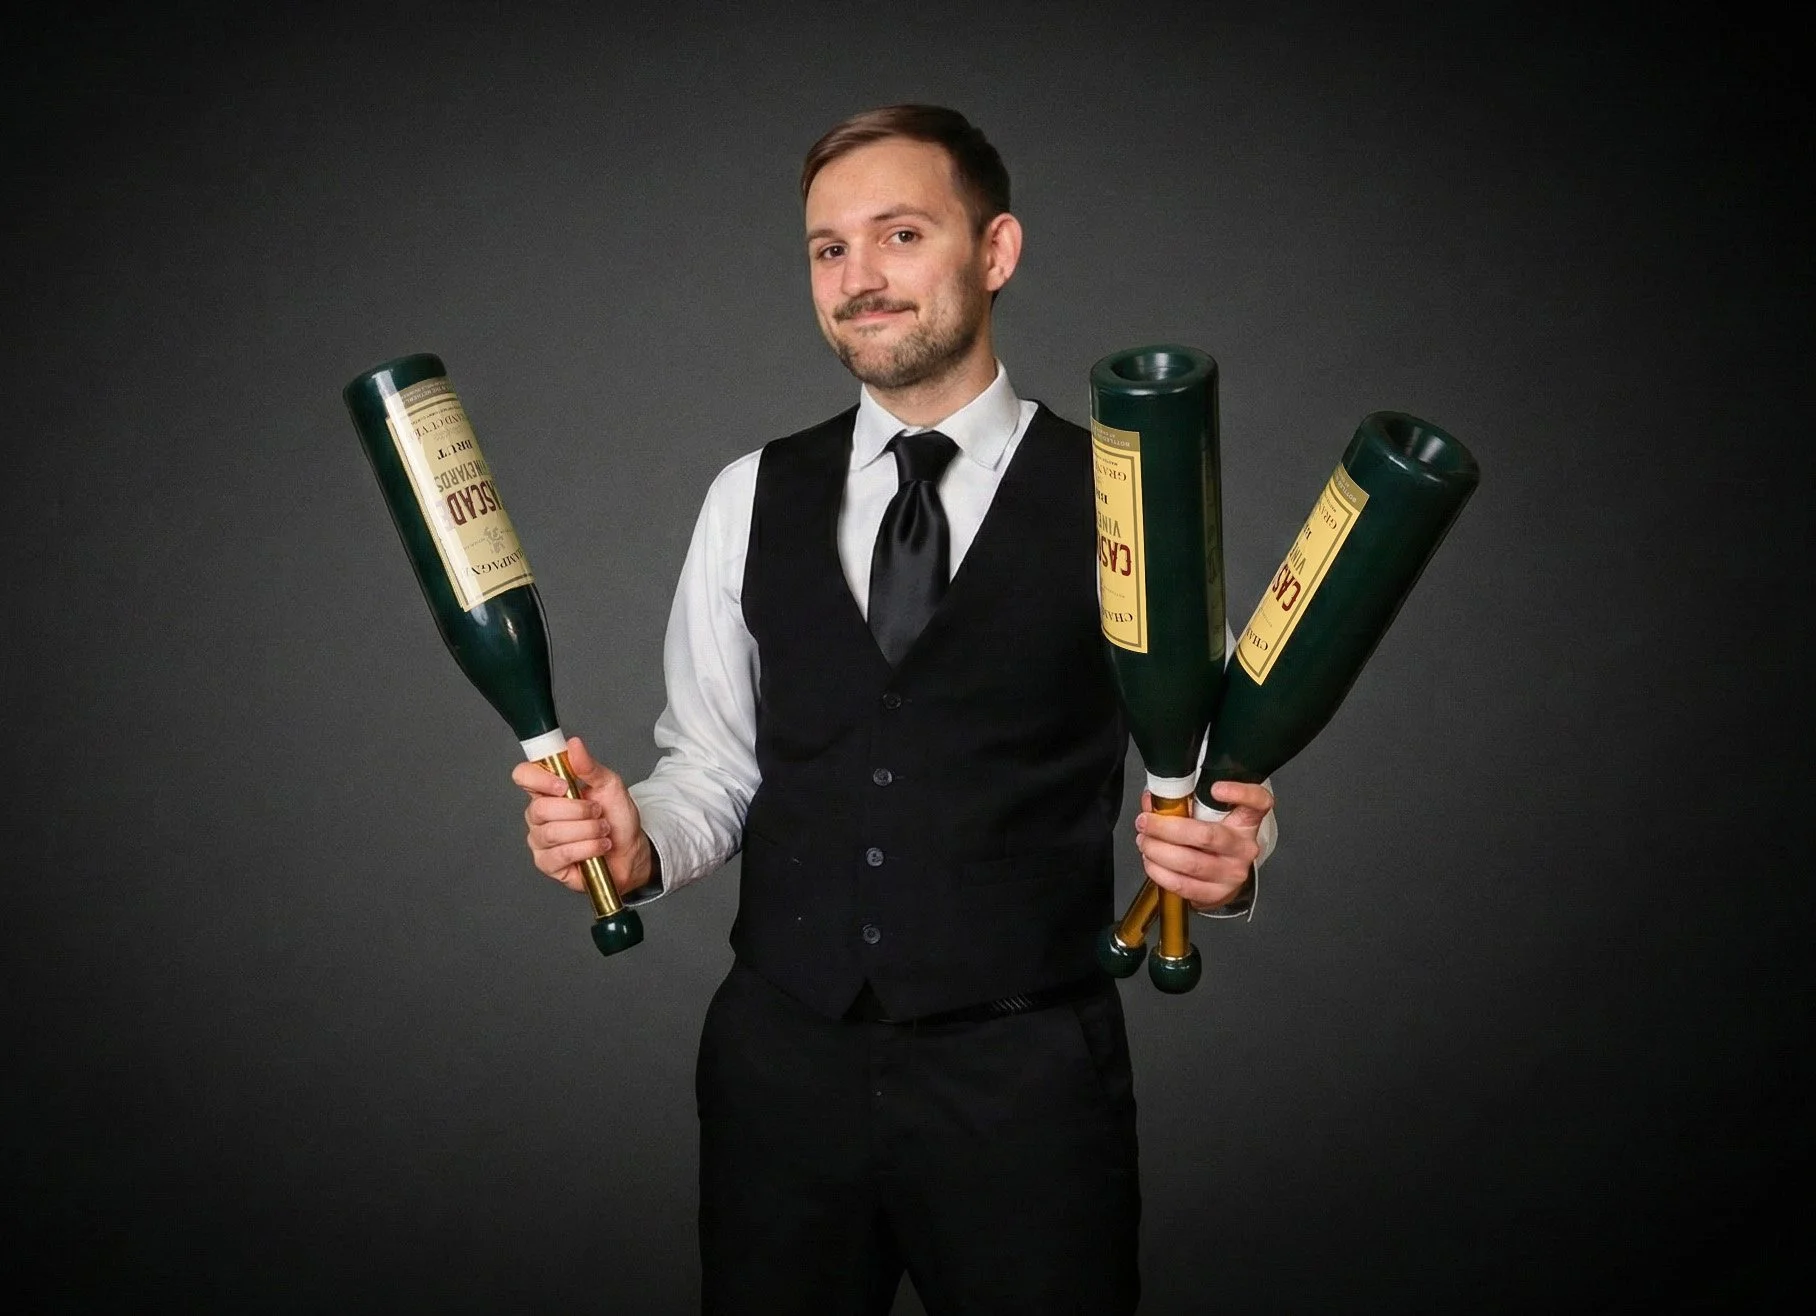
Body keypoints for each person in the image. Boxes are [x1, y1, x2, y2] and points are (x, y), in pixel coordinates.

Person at [515, 105, 1277, 1316]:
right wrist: (637, 835)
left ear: (996, 250)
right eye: (827, 248)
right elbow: (710, 761)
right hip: (779, 1068)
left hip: (1024, 1079)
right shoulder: (748, 493)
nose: (859, 277)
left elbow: (1215, 764)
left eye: (901, 233)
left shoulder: (1123, 493)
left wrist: (1231, 860)